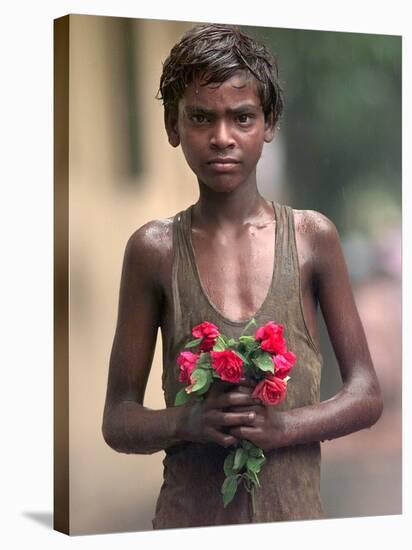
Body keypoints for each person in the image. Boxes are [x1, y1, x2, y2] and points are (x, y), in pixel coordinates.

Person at [101, 23, 383, 529]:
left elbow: (365, 393)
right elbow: (118, 418)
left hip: (295, 520)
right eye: (201, 118)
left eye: (243, 117)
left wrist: (285, 425)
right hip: (189, 521)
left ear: (268, 123)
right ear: (172, 127)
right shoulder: (154, 250)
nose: (222, 137)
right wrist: (186, 421)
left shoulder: (311, 238)